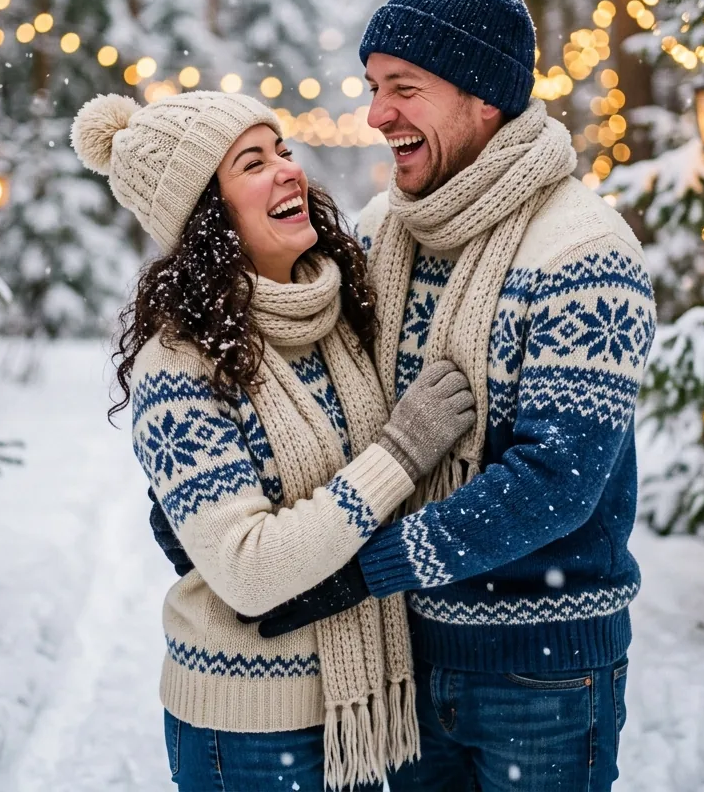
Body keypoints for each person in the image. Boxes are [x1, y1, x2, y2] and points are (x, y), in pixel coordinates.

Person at [245, 0, 658, 792]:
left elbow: (557, 481)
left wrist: (359, 569)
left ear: (483, 97)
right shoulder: (382, 232)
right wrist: (210, 496)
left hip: (541, 674)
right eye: (372, 87)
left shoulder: (584, 251)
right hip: (401, 662)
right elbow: (311, 383)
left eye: (405, 87)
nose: (377, 115)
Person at [70, 89, 476, 792]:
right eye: (252, 163)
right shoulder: (180, 365)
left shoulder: (338, 316)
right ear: (208, 217)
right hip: (251, 731)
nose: (289, 170)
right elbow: (247, 569)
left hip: (366, 710)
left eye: (283, 150)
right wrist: (400, 455)